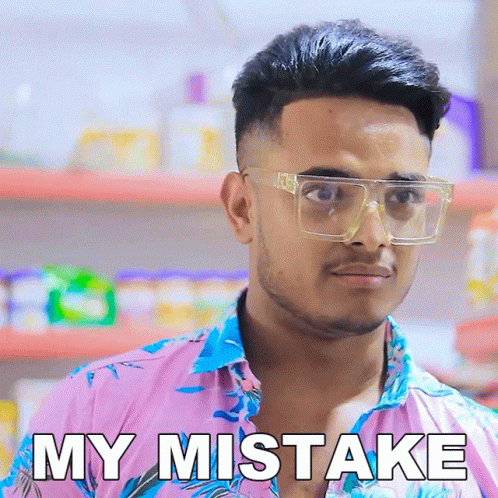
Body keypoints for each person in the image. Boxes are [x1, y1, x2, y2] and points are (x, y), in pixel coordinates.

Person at [1, 20, 497, 498]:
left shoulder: (479, 452)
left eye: (402, 197)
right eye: (325, 193)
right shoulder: (95, 420)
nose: (372, 236)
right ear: (242, 208)